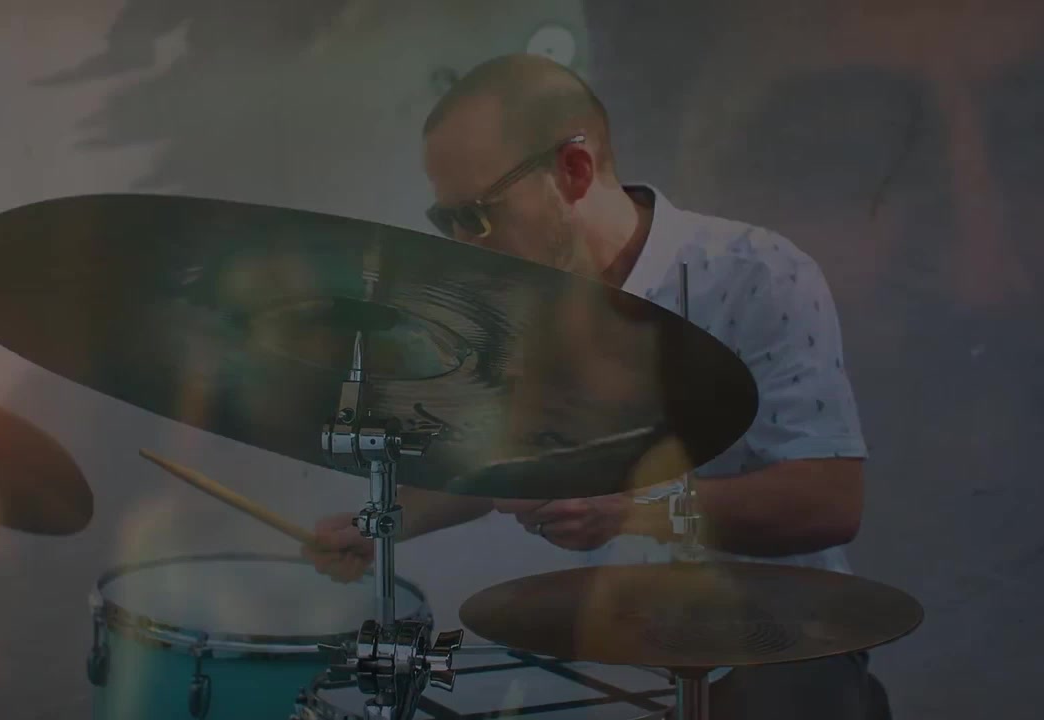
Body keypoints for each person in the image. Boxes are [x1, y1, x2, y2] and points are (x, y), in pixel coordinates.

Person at [306, 53, 883, 718]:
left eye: (478, 215)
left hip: (782, 654)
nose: (463, 245)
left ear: (574, 170)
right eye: (447, 220)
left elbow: (828, 502)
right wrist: (382, 523)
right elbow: (497, 470)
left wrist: (631, 509)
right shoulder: (517, 308)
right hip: (624, 660)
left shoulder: (758, 273)